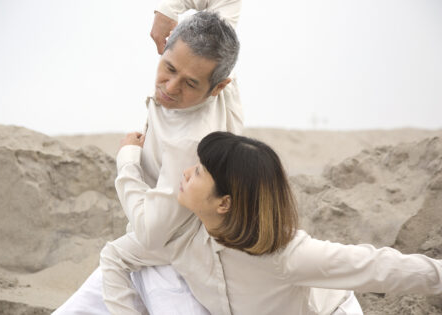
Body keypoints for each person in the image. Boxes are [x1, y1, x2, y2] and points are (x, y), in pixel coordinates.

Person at [101, 131, 442, 315]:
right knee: (153, 271)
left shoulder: (288, 254)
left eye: (200, 171)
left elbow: (380, 267)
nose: (186, 172)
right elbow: (118, 251)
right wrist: (128, 160)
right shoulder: (181, 233)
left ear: (225, 203)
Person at [53, 1, 242, 313]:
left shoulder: (191, 142)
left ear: (219, 87)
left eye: (190, 84)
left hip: (177, 264)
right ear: (168, 48)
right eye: (169, 68)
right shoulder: (215, 46)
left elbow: (152, 234)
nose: (170, 87)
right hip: (162, 244)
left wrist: (127, 160)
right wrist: (169, 9)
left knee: (112, 261)